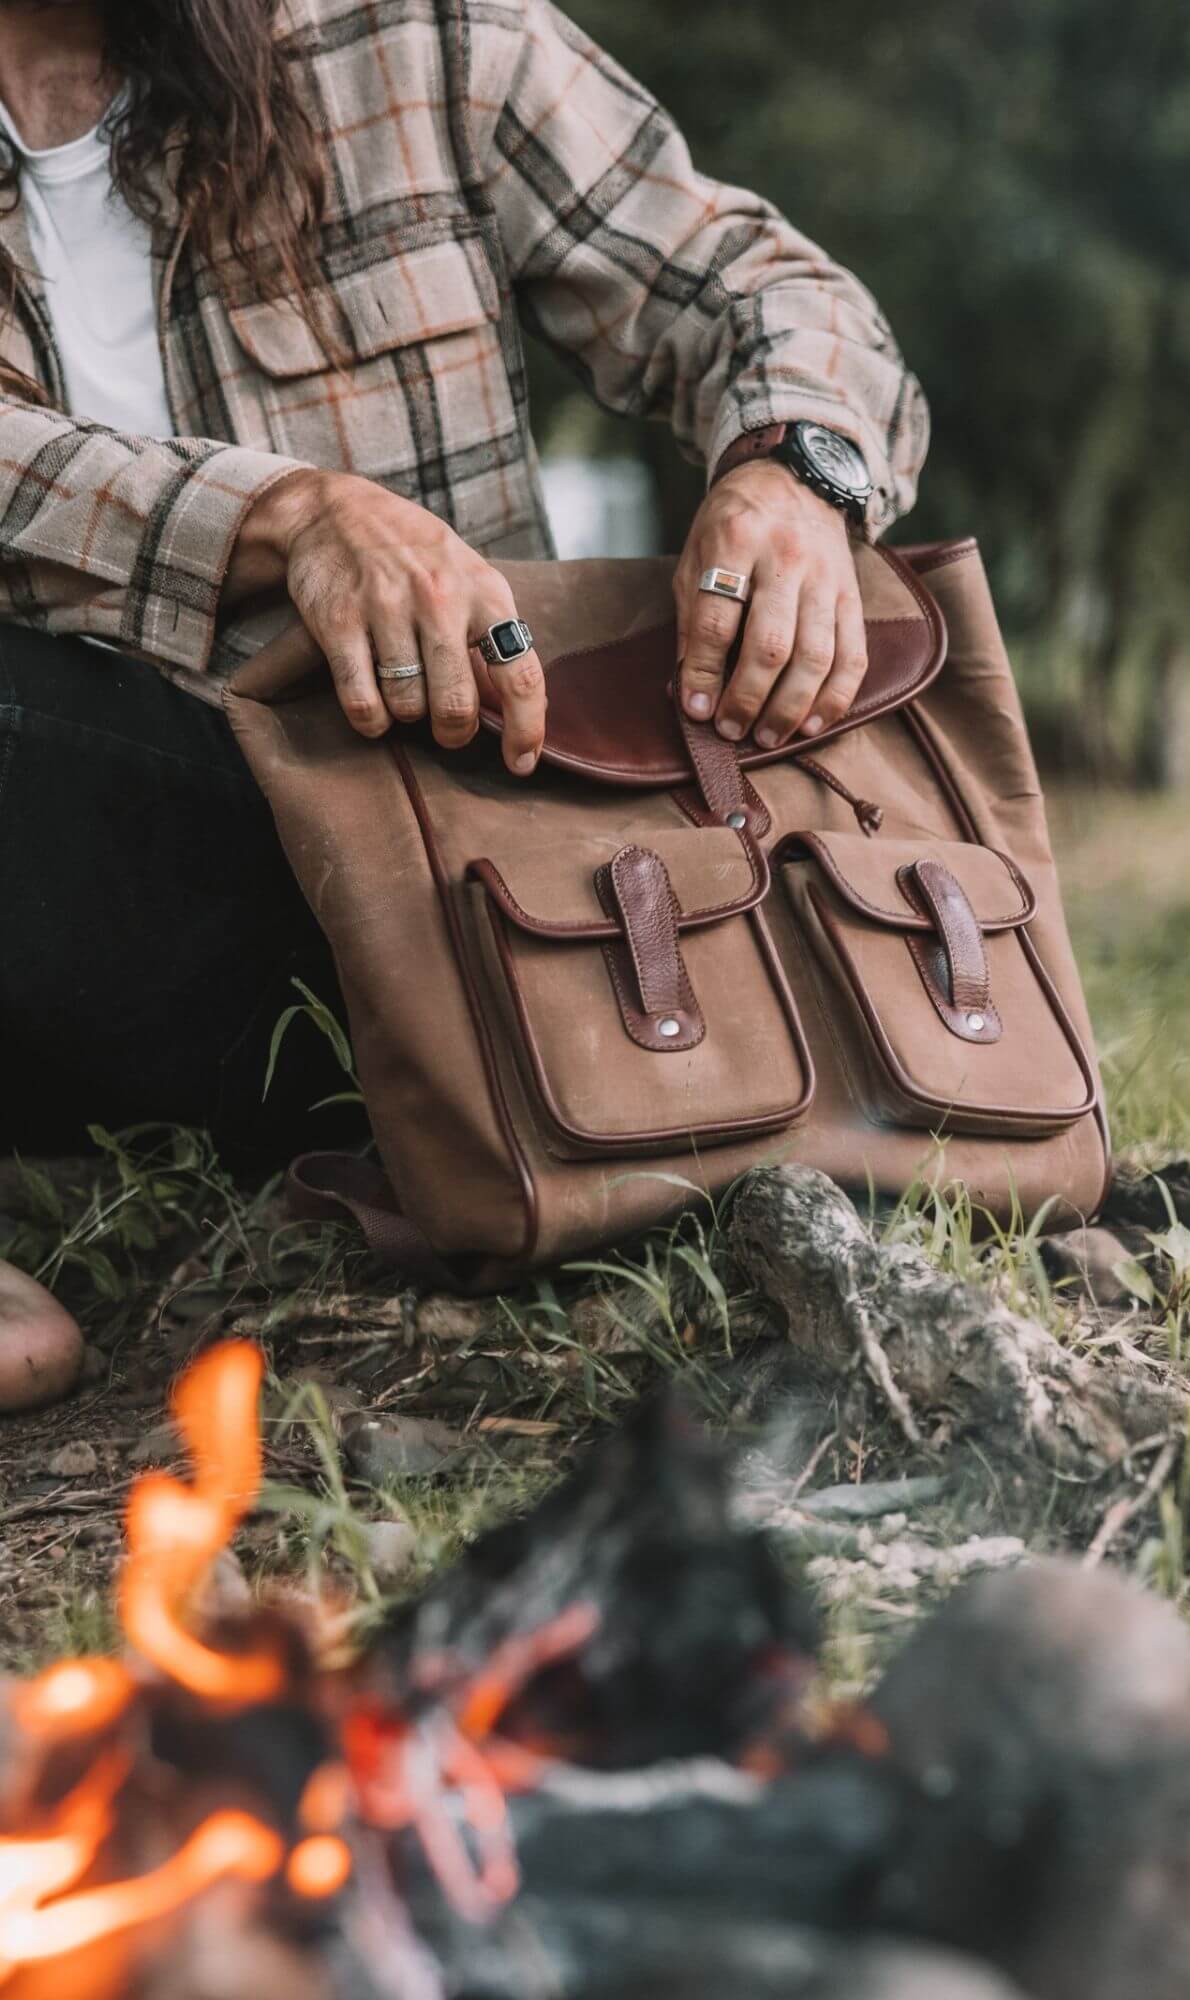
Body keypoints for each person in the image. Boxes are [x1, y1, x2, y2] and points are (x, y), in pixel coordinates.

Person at [0, 0, 926, 1387]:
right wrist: (288, 517)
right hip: (73, 902)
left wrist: (797, 472)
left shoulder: (421, 40)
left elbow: (753, 283)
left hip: (465, 905)